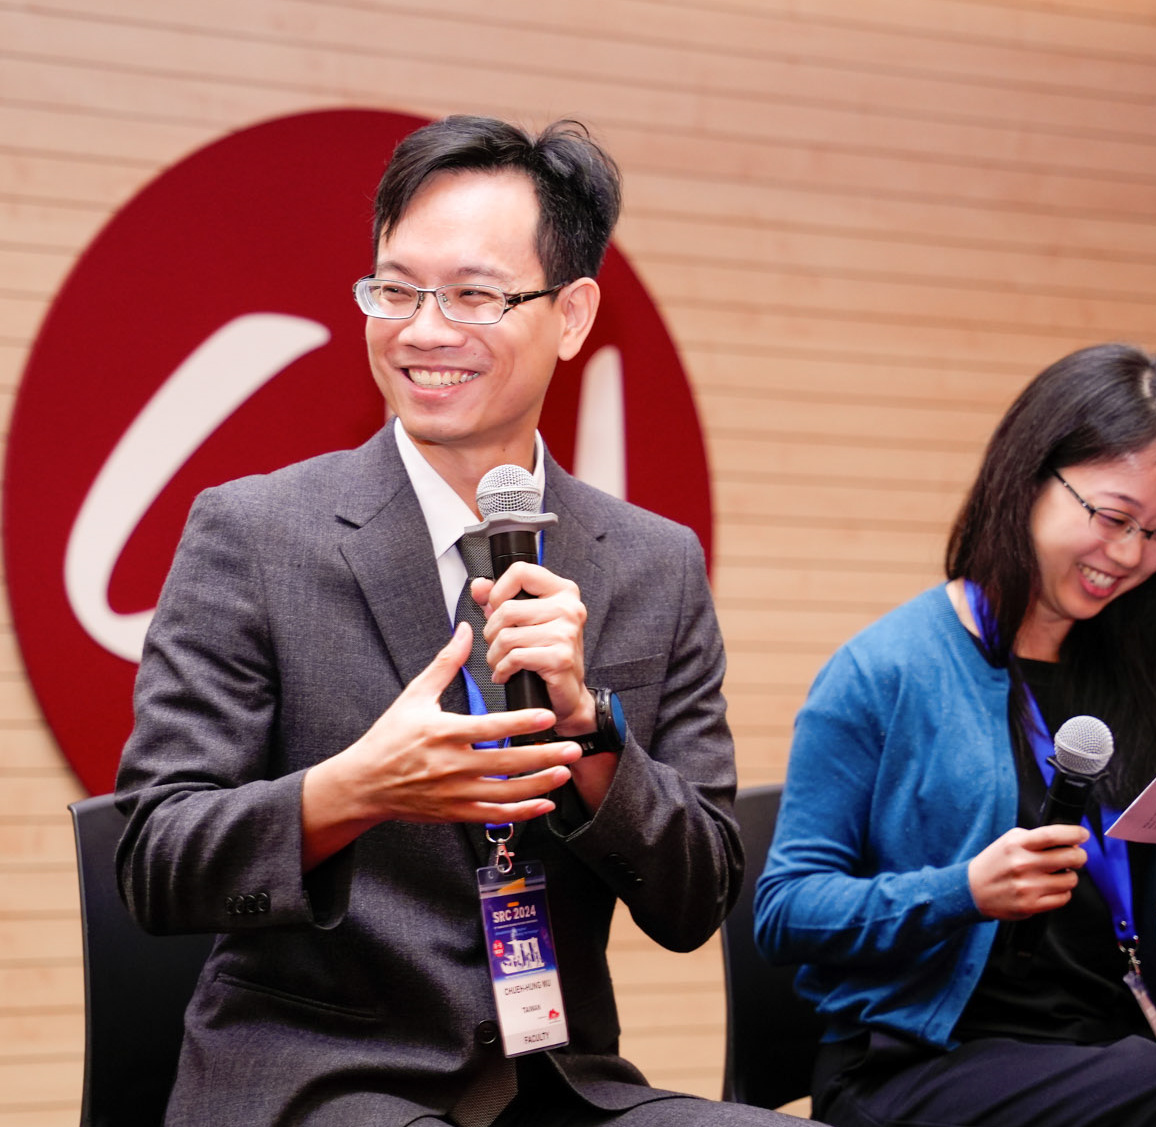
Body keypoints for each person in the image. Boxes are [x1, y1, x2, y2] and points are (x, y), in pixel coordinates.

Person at [116, 116, 809, 1127]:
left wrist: (591, 734)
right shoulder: (254, 533)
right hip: (320, 1080)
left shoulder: (653, 564)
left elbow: (695, 898)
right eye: (395, 290)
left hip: (560, 1083)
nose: (423, 330)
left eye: (474, 296)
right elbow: (154, 860)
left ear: (571, 316)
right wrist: (352, 790)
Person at [753, 344, 1156, 1127]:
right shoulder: (885, 668)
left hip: (1103, 1055)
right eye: (1113, 517)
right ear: (1028, 477)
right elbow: (784, 910)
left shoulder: (1134, 678)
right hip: (916, 1065)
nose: (1130, 555)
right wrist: (963, 891)